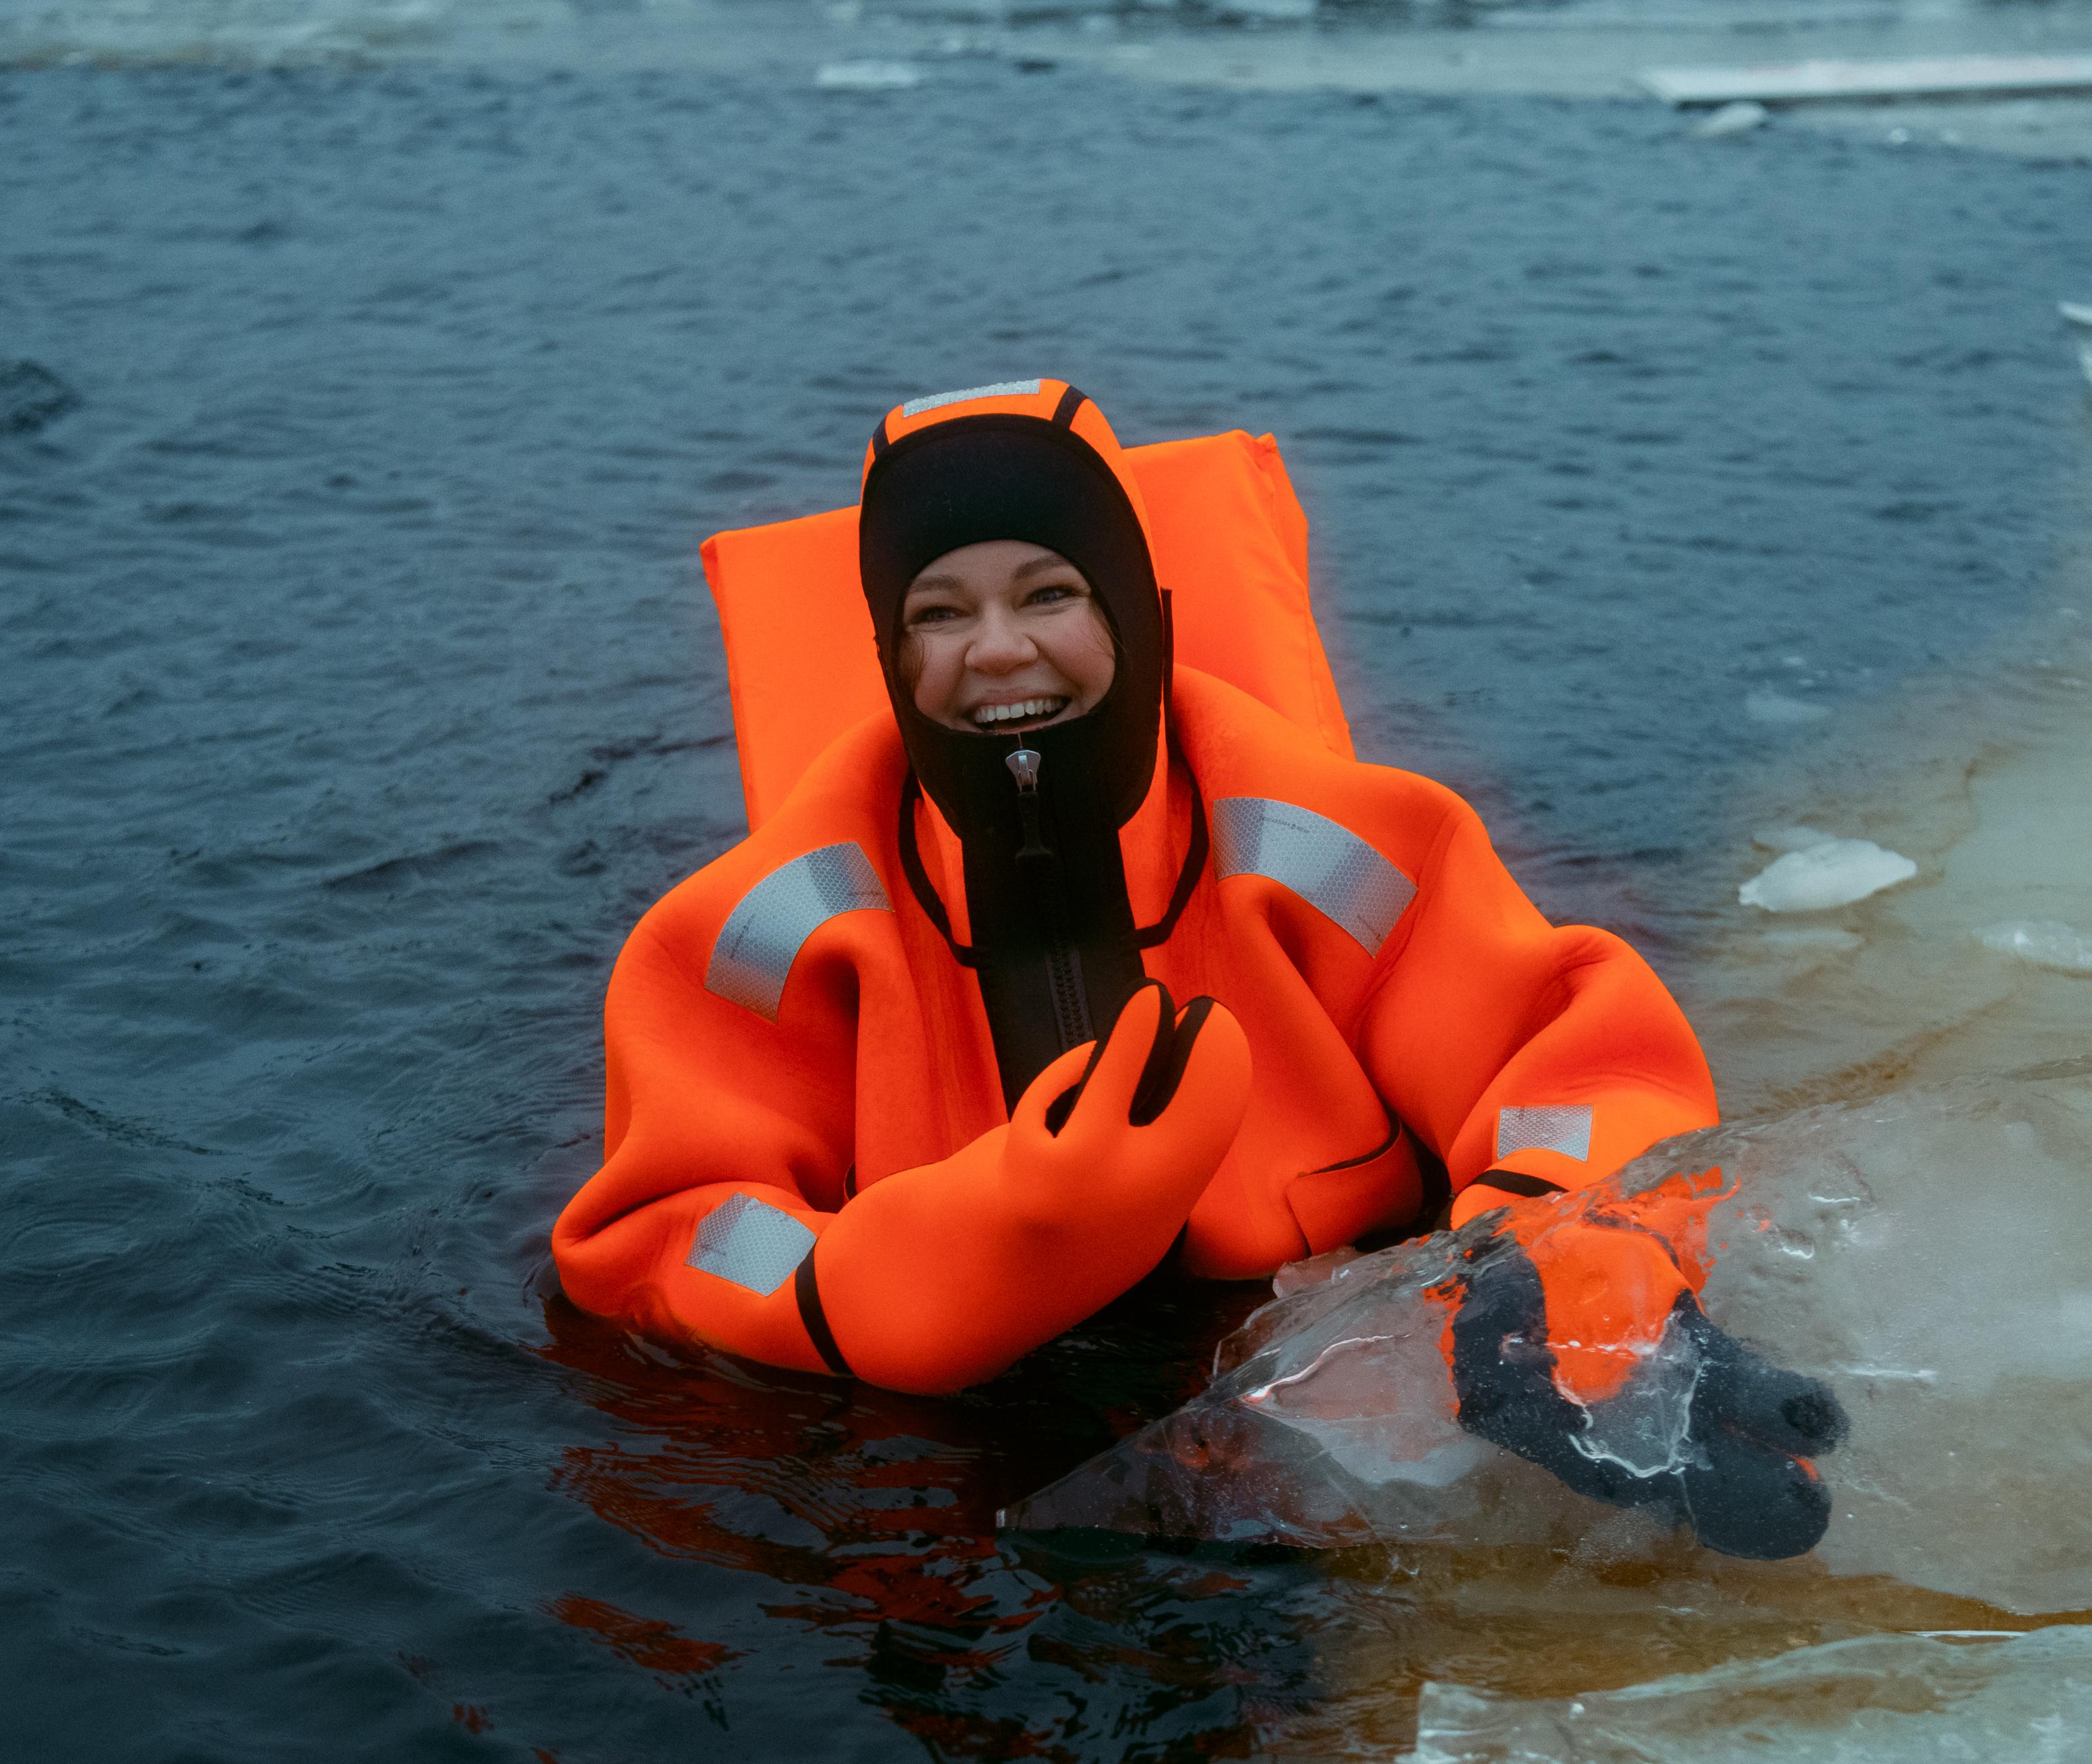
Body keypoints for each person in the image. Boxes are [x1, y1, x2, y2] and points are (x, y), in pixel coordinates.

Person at [553, 380, 1844, 1558]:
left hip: (1307, 1385)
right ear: (889, 658)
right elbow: (668, 1236)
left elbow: (1572, 1061)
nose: (995, 649)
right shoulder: (753, 929)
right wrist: (912, 1279)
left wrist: (1562, 1252)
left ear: (1137, 610)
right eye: (937, 613)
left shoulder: (1341, 844)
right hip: (947, 1481)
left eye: (1048, 593)